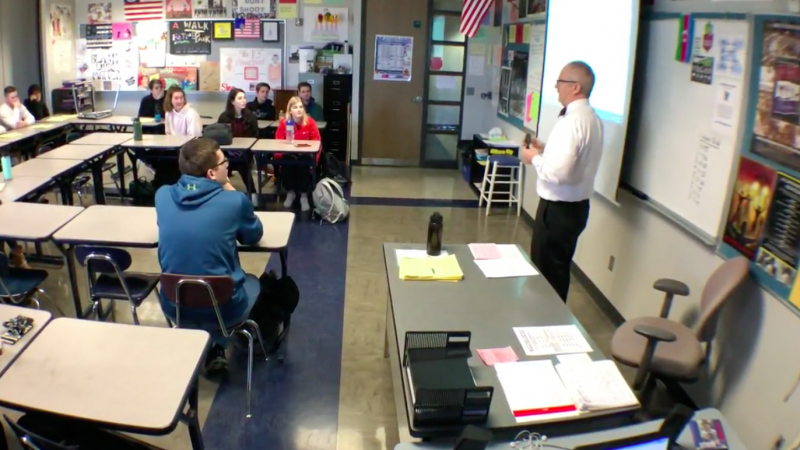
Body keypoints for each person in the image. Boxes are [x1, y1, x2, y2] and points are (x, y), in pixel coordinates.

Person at [156, 137, 263, 373]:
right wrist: (232, 191)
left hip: (174, 303)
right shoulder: (234, 202)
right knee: (252, 283)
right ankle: (218, 342)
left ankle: (203, 343)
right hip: (225, 307)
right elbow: (253, 234)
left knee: (202, 283)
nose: (229, 166)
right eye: (225, 162)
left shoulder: (162, 196)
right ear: (212, 174)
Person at [521, 61, 604, 303]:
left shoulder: (571, 122)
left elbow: (560, 174)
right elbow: (574, 161)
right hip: (576, 209)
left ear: (575, 87)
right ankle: (550, 323)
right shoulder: (592, 119)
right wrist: (544, 149)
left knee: (545, 277)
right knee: (558, 272)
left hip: (557, 212)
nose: (556, 87)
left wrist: (533, 158)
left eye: (560, 82)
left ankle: (542, 326)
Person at [275, 96, 321, 212]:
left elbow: (317, 143)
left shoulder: (310, 122)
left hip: (305, 156)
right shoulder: (284, 123)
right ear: (290, 110)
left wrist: (315, 161)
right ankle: (290, 193)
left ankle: (304, 196)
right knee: (287, 163)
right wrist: (279, 158)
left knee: (302, 165)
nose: (299, 109)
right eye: (295, 107)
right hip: (289, 155)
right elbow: (278, 142)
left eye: (301, 107)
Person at [218, 88, 259, 196]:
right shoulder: (224, 117)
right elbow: (220, 137)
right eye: (240, 98)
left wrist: (243, 150)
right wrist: (231, 151)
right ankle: (222, 193)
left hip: (245, 153)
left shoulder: (250, 117)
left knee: (242, 164)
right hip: (228, 153)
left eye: (244, 98)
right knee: (222, 166)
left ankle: (253, 193)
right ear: (232, 101)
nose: (243, 100)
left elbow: (255, 136)